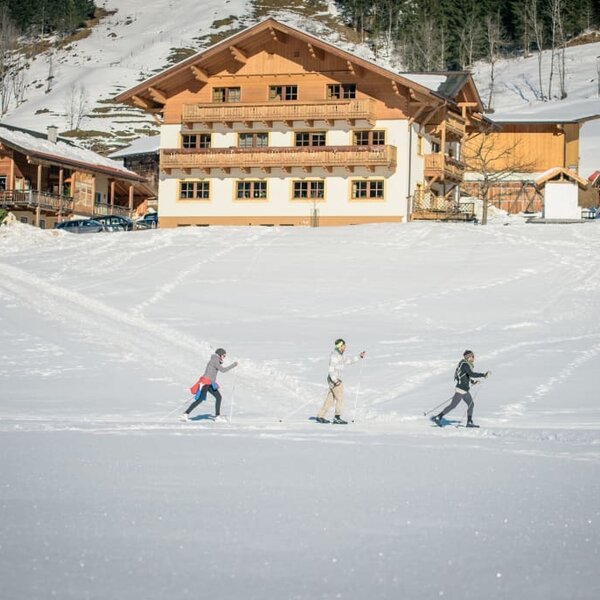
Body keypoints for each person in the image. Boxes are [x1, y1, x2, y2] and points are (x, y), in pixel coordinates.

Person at [432, 350, 490, 428]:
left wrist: (473, 382)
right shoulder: (465, 365)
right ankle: (438, 417)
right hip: (461, 389)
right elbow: (471, 374)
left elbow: (466, 376)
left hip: (464, 389)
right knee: (453, 406)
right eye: (472, 356)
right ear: (468, 357)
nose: (474, 358)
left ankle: (469, 422)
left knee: (470, 404)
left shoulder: (466, 364)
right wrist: (483, 375)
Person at [316, 339, 366, 424]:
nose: (345, 347)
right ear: (340, 346)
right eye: (344, 346)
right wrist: (335, 381)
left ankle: (320, 416)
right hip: (335, 380)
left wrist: (359, 357)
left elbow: (348, 361)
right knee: (340, 398)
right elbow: (331, 370)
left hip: (335, 380)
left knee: (330, 399)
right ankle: (337, 417)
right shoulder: (334, 356)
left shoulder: (340, 355)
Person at [181, 348, 238, 422]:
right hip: (205, 382)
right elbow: (223, 370)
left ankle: (217, 416)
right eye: (224, 356)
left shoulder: (215, 360)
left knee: (218, 397)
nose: (224, 357)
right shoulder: (215, 360)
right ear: (220, 354)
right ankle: (185, 414)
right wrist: (234, 365)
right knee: (200, 399)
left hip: (210, 383)